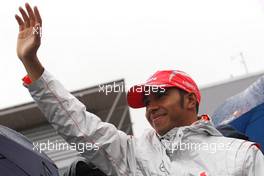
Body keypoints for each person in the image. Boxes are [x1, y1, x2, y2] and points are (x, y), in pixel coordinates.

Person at [15, 3, 264, 176]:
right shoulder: (134, 153)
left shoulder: (240, 156)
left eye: (160, 95)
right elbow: (78, 124)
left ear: (189, 100)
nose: (151, 106)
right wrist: (32, 64)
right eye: (146, 101)